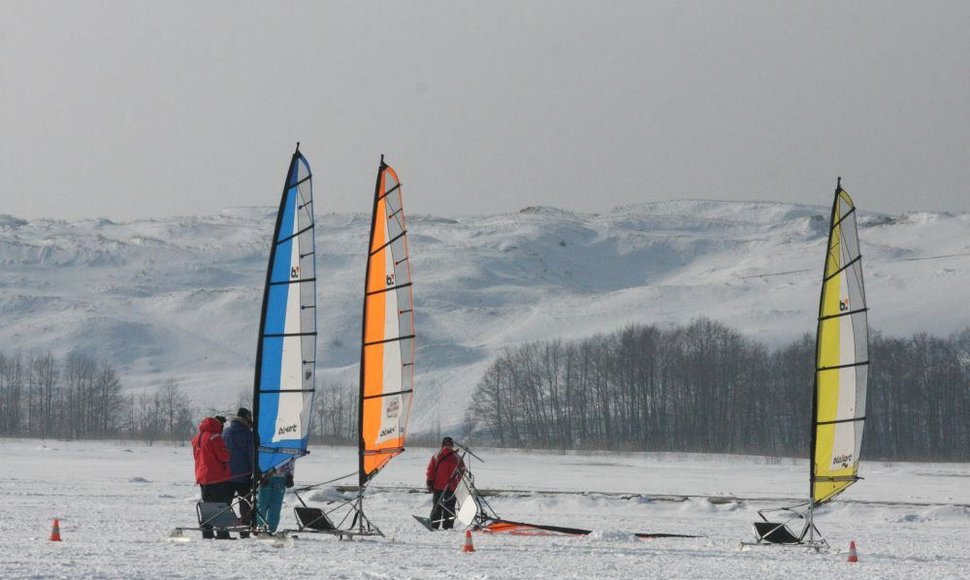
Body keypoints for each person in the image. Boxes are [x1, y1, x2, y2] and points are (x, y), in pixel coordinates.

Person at [191, 415, 232, 539]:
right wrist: (228, 451)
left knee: (208, 504)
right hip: (216, 476)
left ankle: (207, 532)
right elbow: (224, 456)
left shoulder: (197, 437)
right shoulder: (215, 437)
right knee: (220, 505)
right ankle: (222, 534)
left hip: (202, 476)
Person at [223, 407, 255, 536]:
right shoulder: (248, 434)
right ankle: (244, 529)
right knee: (245, 503)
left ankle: (224, 528)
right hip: (243, 476)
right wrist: (256, 471)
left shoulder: (225, 432)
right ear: (246, 418)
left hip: (226, 475)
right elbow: (251, 454)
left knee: (225, 504)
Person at [425, 436, 466, 530]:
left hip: (452, 487)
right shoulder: (437, 455)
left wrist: (461, 483)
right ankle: (434, 525)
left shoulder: (457, 457)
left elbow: (462, 471)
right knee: (437, 507)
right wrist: (429, 481)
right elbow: (431, 469)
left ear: (452, 445)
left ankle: (448, 526)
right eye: (446, 444)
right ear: (443, 445)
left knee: (450, 508)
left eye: (449, 444)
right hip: (438, 486)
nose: (448, 446)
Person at [256, 459, 294, 534]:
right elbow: (261, 459)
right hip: (266, 477)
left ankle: (271, 528)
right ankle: (259, 526)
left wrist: (290, 476)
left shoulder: (287, 448)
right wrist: (260, 474)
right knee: (262, 503)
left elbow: (291, 459)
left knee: (275, 505)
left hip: (281, 478)